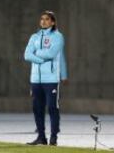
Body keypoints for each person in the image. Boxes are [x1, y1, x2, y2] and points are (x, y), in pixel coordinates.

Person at [24, 11, 68, 146]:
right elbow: (26, 55)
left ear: (53, 22)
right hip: (35, 79)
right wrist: (41, 59)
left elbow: (52, 53)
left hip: (51, 79)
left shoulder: (58, 36)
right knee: (37, 108)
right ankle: (41, 137)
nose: (43, 21)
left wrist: (36, 54)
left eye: (47, 19)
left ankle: (53, 137)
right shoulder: (34, 37)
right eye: (42, 19)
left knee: (52, 108)